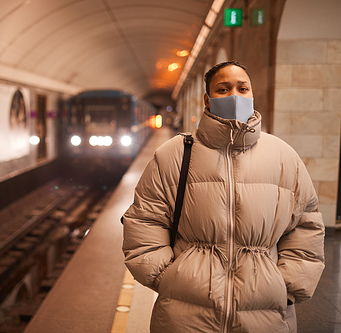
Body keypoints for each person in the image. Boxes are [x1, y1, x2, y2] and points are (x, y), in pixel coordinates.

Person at [122, 60, 325, 332]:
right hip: (185, 314)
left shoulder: (283, 156)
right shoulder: (173, 154)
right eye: (223, 89)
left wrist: (286, 287)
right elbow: (145, 222)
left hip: (264, 315)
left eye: (242, 88)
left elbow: (306, 225)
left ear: (252, 95)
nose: (234, 96)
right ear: (207, 100)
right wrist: (168, 279)